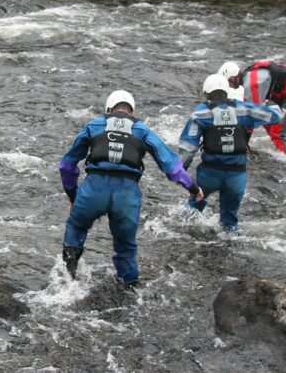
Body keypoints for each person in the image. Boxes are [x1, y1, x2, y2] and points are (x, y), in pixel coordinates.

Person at [59, 90, 203, 289]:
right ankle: (130, 291)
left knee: (76, 227)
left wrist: (73, 196)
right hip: (126, 195)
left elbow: (67, 165)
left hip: (93, 189)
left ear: (108, 109)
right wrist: (192, 187)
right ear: (132, 112)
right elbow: (170, 165)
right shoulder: (142, 130)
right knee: (126, 249)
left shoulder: (94, 125)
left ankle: (68, 279)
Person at [178, 74, 284, 234]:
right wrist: (274, 105)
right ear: (226, 92)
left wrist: (180, 171)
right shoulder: (243, 110)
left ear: (206, 93)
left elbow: (188, 147)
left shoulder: (199, 114)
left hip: (209, 175)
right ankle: (230, 245)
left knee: (192, 210)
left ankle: (184, 234)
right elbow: (276, 116)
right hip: (237, 176)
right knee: (230, 222)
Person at [218, 61, 286, 154]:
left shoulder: (251, 83)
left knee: (277, 131)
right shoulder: (250, 76)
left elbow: (251, 115)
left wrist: (242, 145)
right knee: (268, 122)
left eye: (228, 83)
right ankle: (284, 151)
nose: (229, 86)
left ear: (233, 77)